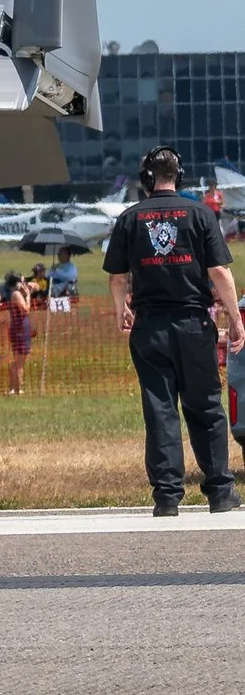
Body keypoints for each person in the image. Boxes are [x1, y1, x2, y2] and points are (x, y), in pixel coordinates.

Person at [104, 145, 245, 516]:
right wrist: (235, 317)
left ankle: (167, 496)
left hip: (149, 326)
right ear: (177, 176)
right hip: (193, 324)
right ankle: (219, 491)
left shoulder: (130, 218)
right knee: (206, 407)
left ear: (147, 179)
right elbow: (219, 272)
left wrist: (122, 311)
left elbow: (118, 278)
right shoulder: (199, 213)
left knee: (160, 408)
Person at [1, 270, 35, 395]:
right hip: (19, 331)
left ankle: (13, 387)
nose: (24, 283)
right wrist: (28, 296)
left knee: (18, 361)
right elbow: (25, 310)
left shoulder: (15, 293)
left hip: (20, 329)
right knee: (20, 362)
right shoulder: (16, 294)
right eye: (22, 281)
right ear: (17, 283)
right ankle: (17, 389)